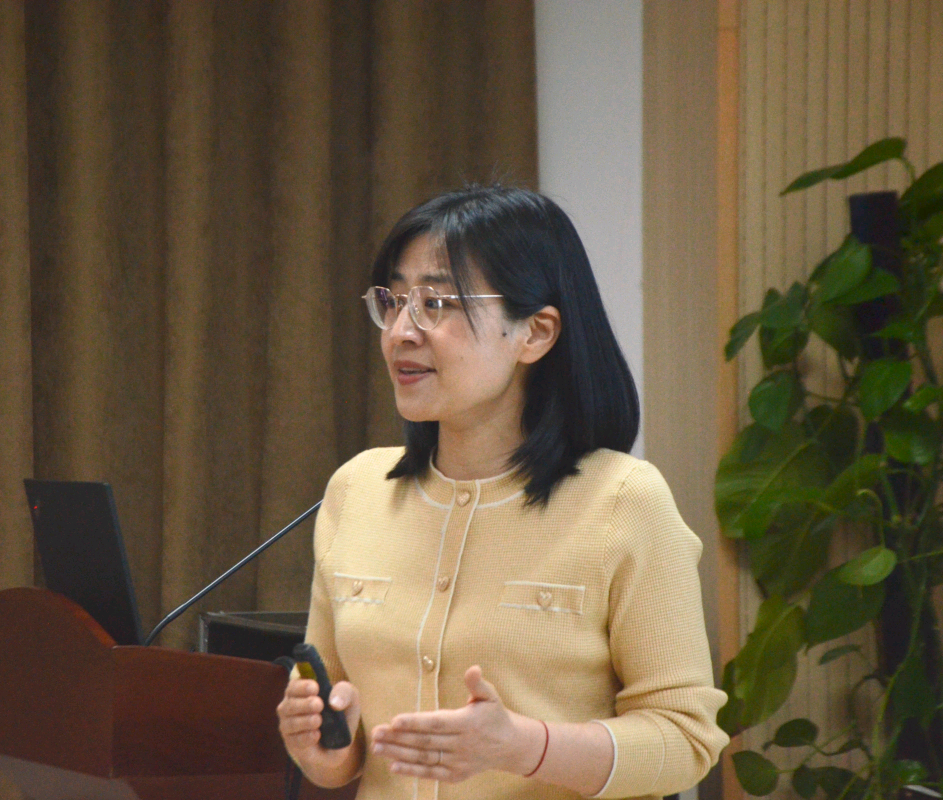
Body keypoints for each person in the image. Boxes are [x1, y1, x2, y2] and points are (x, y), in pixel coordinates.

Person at [276, 185, 728, 800]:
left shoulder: (623, 500)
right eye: (394, 300)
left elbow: (685, 740)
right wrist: (321, 744)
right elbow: (342, 757)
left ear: (535, 333)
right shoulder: (356, 490)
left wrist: (524, 746)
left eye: (436, 303)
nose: (401, 331)